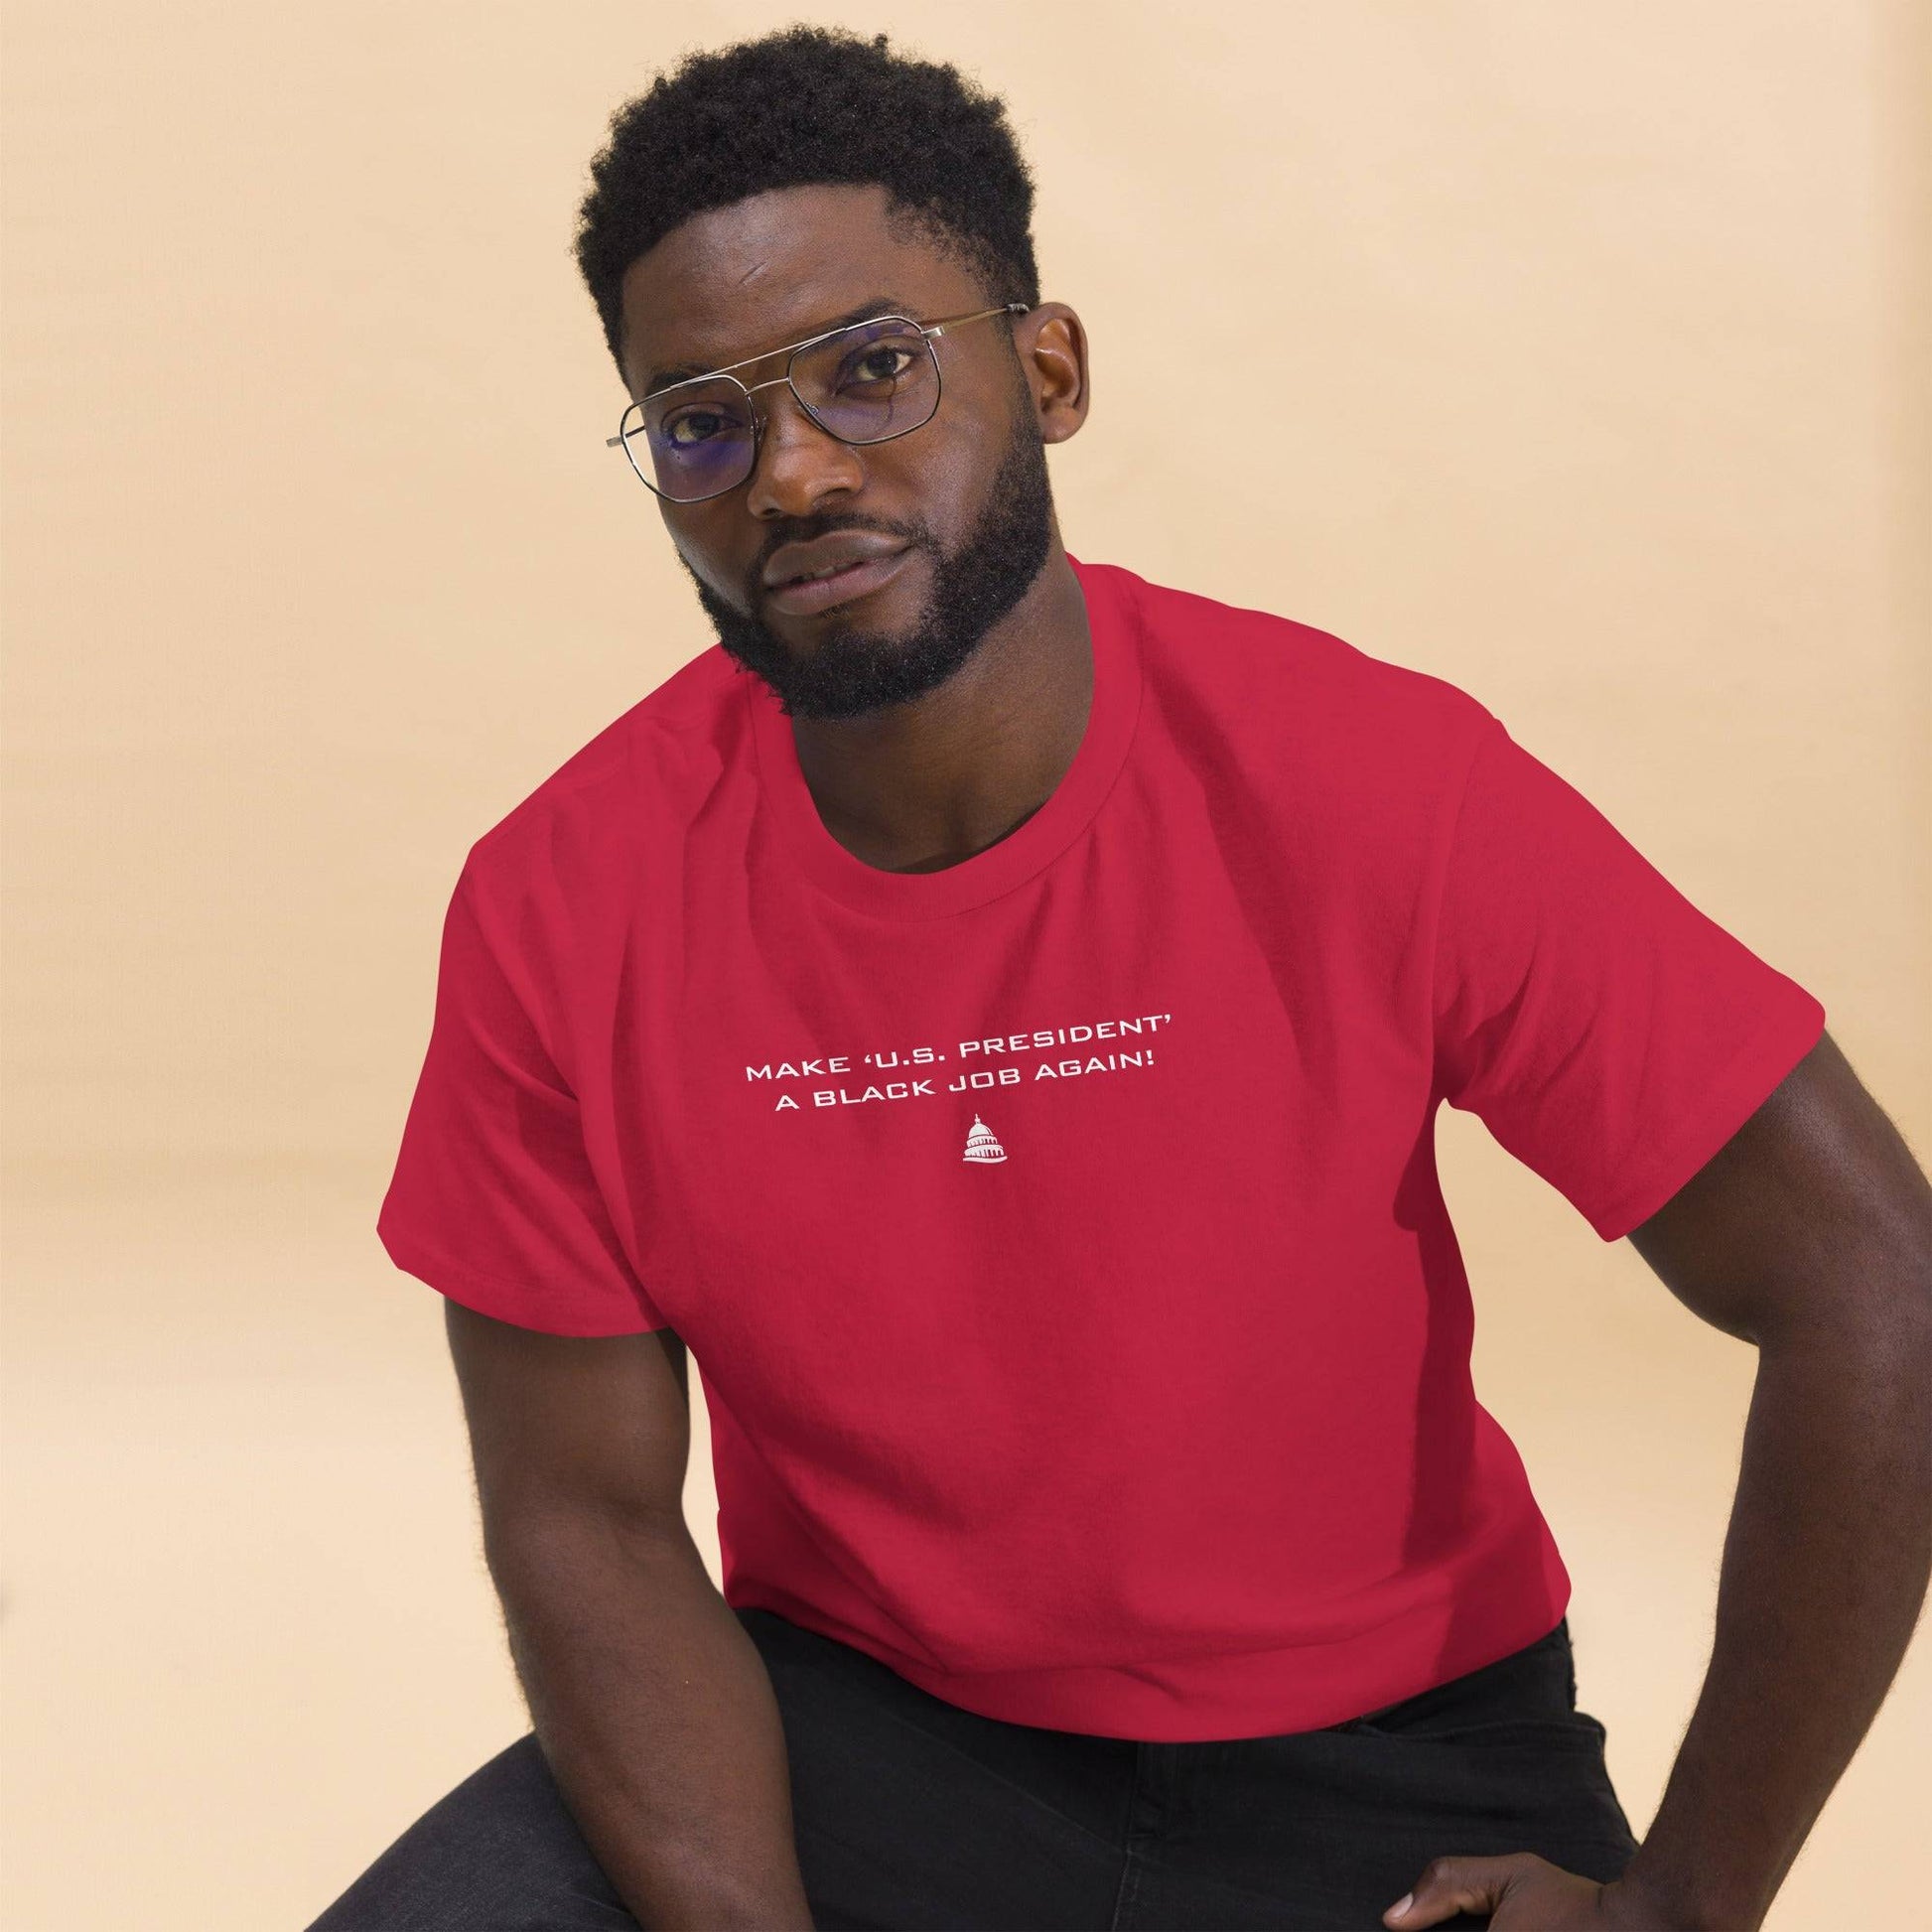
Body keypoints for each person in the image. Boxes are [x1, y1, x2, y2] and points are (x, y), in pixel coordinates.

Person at [308, 27, 1932, 1932]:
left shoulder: (1368, 781)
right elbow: (579, 1508)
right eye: (701, 423)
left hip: (1387, 1770)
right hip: (861, 1740)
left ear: (1047, 368)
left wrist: (1682, 1906)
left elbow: (1871, 1282)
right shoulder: (558, 898)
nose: (795, 471)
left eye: (871, 368)